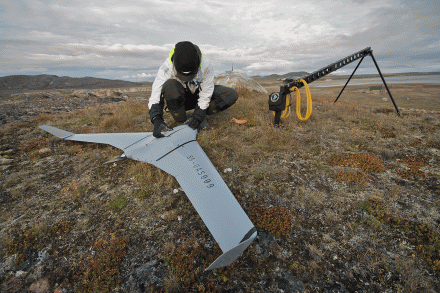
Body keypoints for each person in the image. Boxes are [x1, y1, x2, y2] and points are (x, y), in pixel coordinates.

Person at [148, 41, 238, 138]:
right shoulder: (166, 68)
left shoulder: (206, 65)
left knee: (231, 95)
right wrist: (156, 119)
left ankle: (201, 116)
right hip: (181, 99)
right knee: (170, 86)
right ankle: (181, 122)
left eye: (191, 74)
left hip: (197, 95)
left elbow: (206, 92)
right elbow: (155, 95)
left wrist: (198, 116)